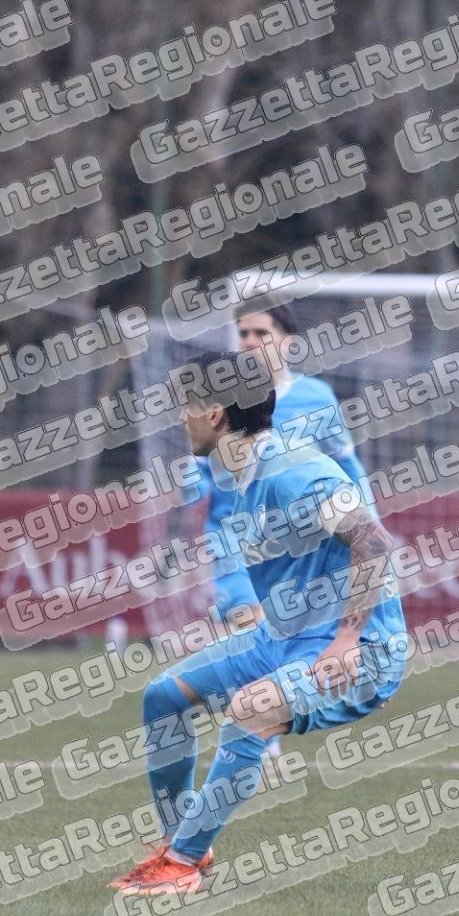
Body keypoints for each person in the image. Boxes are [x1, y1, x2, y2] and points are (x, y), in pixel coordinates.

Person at [112, 351, 408, 895]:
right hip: (283, 638)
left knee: (250, 711)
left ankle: (180, 865)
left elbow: (373, 541)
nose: (182, 417)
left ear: (216, 415)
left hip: (359, 648)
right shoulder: (240, 471)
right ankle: (182, 843)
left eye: (188, 406)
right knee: (163, 697)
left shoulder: (293, 470)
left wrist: (349, 640)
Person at [183, 300, 373, 761]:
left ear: (287, 342)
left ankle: (261, 728)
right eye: (243, 333)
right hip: (234, 541)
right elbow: (202, 471)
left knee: (285, 635)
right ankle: (260, 739)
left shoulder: (316, 398)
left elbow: (347, 465)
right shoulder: (220, 400)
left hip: (295, 550)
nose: (249, 341)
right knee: (249, 626)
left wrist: (368, 521)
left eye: (261, 333)